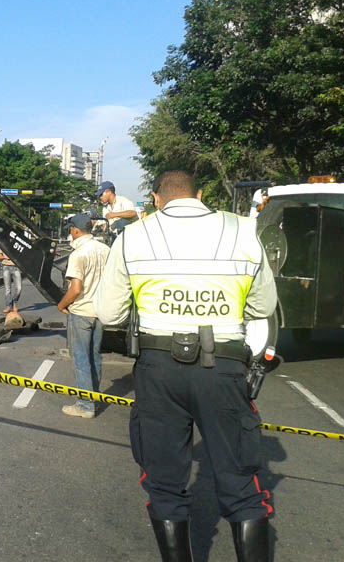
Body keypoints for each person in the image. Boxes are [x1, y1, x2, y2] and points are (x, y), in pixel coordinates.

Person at [93, 170, 277, 561]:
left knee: (164, 483)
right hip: (224, 367)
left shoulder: (133, 236)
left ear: (157, 198)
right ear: (201, 193)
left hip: (158, 369)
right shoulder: (243, 232)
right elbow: (263, 307)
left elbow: (109, 314)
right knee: (240, 482)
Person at [56, 213, 110, 419]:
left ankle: (85, 405)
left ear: (76, 230)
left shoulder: (78, 254)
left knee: (80, 359)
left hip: (81, 312)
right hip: (101, 311)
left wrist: (62, 304)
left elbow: (75, 288)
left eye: (70, 229)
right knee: (95, 356)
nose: (70, 232)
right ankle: (93, 397)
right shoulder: (105, 250)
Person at [0, 248, 22, 313]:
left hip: (16, 267)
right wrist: (5, 256)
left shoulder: (18, 245)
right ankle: (8, 306)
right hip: (6, 267)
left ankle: (14, 302)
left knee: (19, 288)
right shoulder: (4, 245)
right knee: (8, 289)